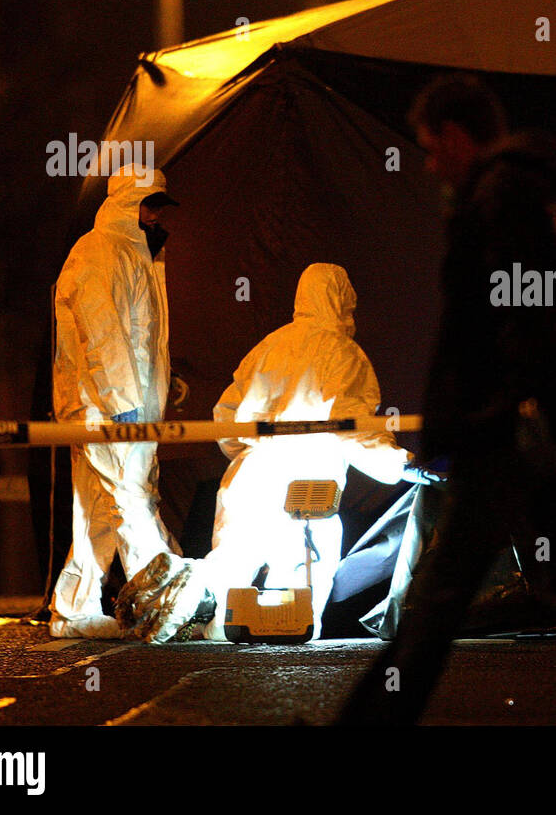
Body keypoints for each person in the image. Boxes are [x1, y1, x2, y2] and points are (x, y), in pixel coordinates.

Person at [337, 76, 556, 724]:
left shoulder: (501, 193)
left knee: (446, 592)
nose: (427, 165)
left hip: (510, 427)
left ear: (455, 135)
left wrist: (499, 407)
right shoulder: (554, 187)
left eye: (429, 148)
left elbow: (505, 312)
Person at [116, 263, 432, 643]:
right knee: (303, 577)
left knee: (231, 561)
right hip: (307, 481)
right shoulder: (344, 353)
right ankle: (282, 650)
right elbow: (352, 429)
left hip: (252, 472)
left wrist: (247, 455)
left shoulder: (268, 346)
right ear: (343, 302)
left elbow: (225, 416)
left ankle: (190, 608)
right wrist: (402, 465)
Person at [49, 165, 181, 638]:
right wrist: (124, 400)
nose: (156, 216)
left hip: (125, 405)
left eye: (160, 207)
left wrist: (151, 394)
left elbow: (144, 338)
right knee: (129, 499)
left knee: (100, 507)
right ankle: (167, 601)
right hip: (101, 406)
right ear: (129, 203)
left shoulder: (137, 254)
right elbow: (101, 333)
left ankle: (74, 608)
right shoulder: (99, 250)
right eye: (150, 205)